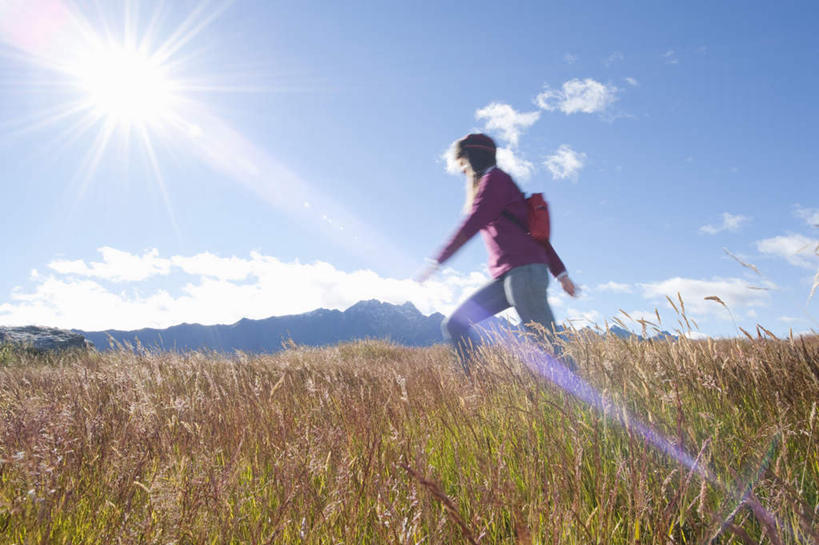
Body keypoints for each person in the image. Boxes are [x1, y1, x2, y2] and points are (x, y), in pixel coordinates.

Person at [416, 133, 578, 374]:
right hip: (509, 277)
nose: (462, 171)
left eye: (462, 163)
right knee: (455, 325)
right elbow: (535, 235)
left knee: (549, 347)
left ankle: (585, 403)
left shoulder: (495, 181)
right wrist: (561, 273)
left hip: (524, 274)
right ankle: (476, 388)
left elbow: (473, 222)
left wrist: (437, 261)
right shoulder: (501, 184)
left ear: (471, 158)